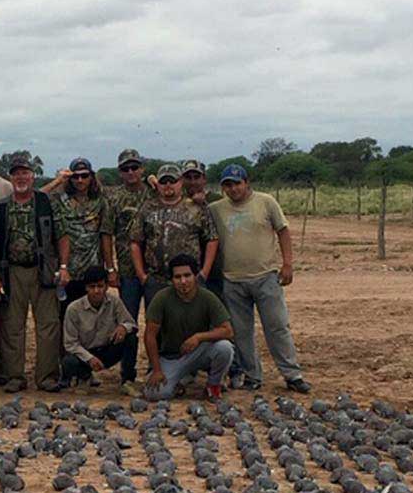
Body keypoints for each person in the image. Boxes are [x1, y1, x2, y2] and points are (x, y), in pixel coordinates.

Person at [210, 163, 309, 392]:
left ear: (247, 183)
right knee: (242, 332)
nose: (233, 189)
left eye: (236, 183)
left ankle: (292, 375)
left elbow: (283, 231)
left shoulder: (266, 202)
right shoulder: (216, 208)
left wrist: (287, 264)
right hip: (232, 280)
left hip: (265, 276)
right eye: (227, 185)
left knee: (277, 327)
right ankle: (252, 376)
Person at [0, 152, 63, 393]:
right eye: (16, 173)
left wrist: (64, 267)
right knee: (12, 326)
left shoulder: (46, 202)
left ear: (33, 175)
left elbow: (62, 235)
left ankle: (47, 376)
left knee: (48, 325)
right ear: (11, 176)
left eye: (25, 172)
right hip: (13, 272)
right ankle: (14, 376)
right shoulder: (2, 208)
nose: (21, 177)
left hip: (43, 271)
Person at [143, 254, 235, 400]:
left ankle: (213, 385)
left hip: (198, 352)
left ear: (196, 276)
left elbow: (228, 331)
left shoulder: (207, 297)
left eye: (187, 275)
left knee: (225, 348)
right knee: (154, 393)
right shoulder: (161, 298)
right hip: (171, 357)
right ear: (171, 280)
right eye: (177, 277)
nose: (183, 281)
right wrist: (156, 370)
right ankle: (181, 380)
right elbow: (149, 335)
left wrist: (199, 337)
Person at [131, 161, 216, 306]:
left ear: (181, 182)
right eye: (164, 181)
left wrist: (204, 273)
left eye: (172, 180)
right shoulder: (147, 208)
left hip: (190, 280)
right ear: (158, 184)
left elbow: (212, 239)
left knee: (193, 323)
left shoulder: (197, 207)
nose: (168, 185)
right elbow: (135, 241)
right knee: (158, 324)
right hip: (156, 281)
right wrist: (142, 276)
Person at [42, 157, 112, 313]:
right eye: (75, 176)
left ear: (91, 177)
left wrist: (111, 269)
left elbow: (105, 234)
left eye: (84, 176)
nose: (80, 180)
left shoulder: (100, 200)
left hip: (93, 270)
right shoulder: (59, 200)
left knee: (94, 316)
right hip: (68, 272)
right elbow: (36, 198)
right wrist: (58, 181)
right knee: (67, 315)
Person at [60, 266, 140, 396]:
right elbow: (70, 344)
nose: (96, 291)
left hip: (108, 350)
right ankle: (84, 378)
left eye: (100, 286)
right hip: (86, 354)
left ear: (107, 286)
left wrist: (123, 327)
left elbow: (132, 324)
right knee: (69, 361)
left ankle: (128, 381)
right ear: (86, 288)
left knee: (131, 338)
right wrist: (89, 358)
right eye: (92, 287)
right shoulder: (73, 309)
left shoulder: (114, 302)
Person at [104, 147, 154, 323]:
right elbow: (107, 234)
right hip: (127, 271)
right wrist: (111, 269)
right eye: (126, 169)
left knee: (157, 320)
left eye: (134, 167)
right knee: (127, 322)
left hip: (154, 270)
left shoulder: (154, 192)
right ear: (120, 172)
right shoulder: (113, 198)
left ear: (142, 168)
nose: (131, 172)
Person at [179, 159, 223, 302]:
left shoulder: (216, 200)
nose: (192, 182)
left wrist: (203, 204)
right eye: (188, 177)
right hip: (187, 267)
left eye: (196, 177)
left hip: (215, 267)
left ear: (204, 178)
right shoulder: (177, 201)